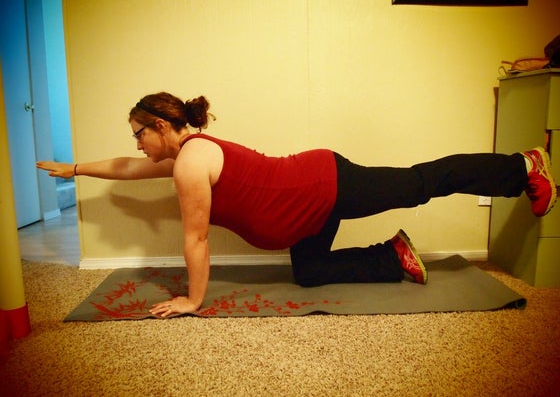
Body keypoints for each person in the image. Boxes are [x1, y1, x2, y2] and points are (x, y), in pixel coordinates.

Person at [37, 92, 558, 318]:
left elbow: (195, 238)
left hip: (321, 185)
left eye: (138, 134)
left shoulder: (191, 162)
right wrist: (76, 169)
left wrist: (193, 301)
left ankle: (522, 167)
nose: (136, 146)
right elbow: (129, 169)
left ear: (158, 126)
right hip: (305, 211)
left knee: (420, 183)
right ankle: (392, 256)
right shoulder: (185, 155)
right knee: (309, 273)